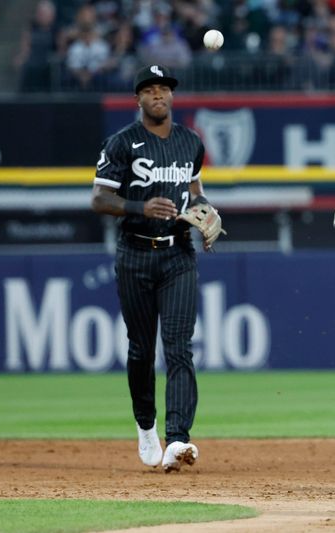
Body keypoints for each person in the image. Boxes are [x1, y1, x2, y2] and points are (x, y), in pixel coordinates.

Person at [90, 65, 224, 472]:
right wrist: (138, 206)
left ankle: (179, 438)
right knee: (140, 350)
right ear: (138, 99)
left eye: (163, 88)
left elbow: (195, 191)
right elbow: (99, 199)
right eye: (149, 90)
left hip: (178, 253)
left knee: (180, 347)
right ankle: (146, 426)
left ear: (172, 95)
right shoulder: (122, 143)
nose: (158, 95)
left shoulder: (190, 142)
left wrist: (205, 213)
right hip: (134, 252)